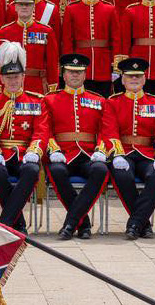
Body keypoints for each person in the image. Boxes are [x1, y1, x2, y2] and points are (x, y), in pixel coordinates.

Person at [0, 46, 52, 231]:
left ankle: (4, 223)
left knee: (31, 170)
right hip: (0, 153)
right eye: (8, 77)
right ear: (1, 78)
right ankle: (17, 224)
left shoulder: (36, 101)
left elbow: (42, 130)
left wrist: (34, 151)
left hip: (25, 154)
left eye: (16, 77)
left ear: (23, 77)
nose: (12, 81)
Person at [100, 57, 155, 239]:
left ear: (144, 78)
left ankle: (135, 223)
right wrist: (117, 154)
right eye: (130, 76)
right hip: (124, 152)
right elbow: (110, 131)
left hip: (148, 152)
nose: (134, 79)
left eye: (138, 76)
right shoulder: (112, 102)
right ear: (122, 79)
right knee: (122, 174)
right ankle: (143, 223)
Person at [43, 53, 109, 240]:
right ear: (63, 75)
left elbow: (106, 130)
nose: (74, 75)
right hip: (62, 153)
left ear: (85, 75)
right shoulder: (50, 100)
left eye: (79, 72)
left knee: (101, 169)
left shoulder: (98, 100)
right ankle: (84, 223)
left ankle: (71, 222)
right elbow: (44, 130)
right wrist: (53, 148)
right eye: (71, 72)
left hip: (89, 154)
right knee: (56, 171)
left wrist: (100, 150)